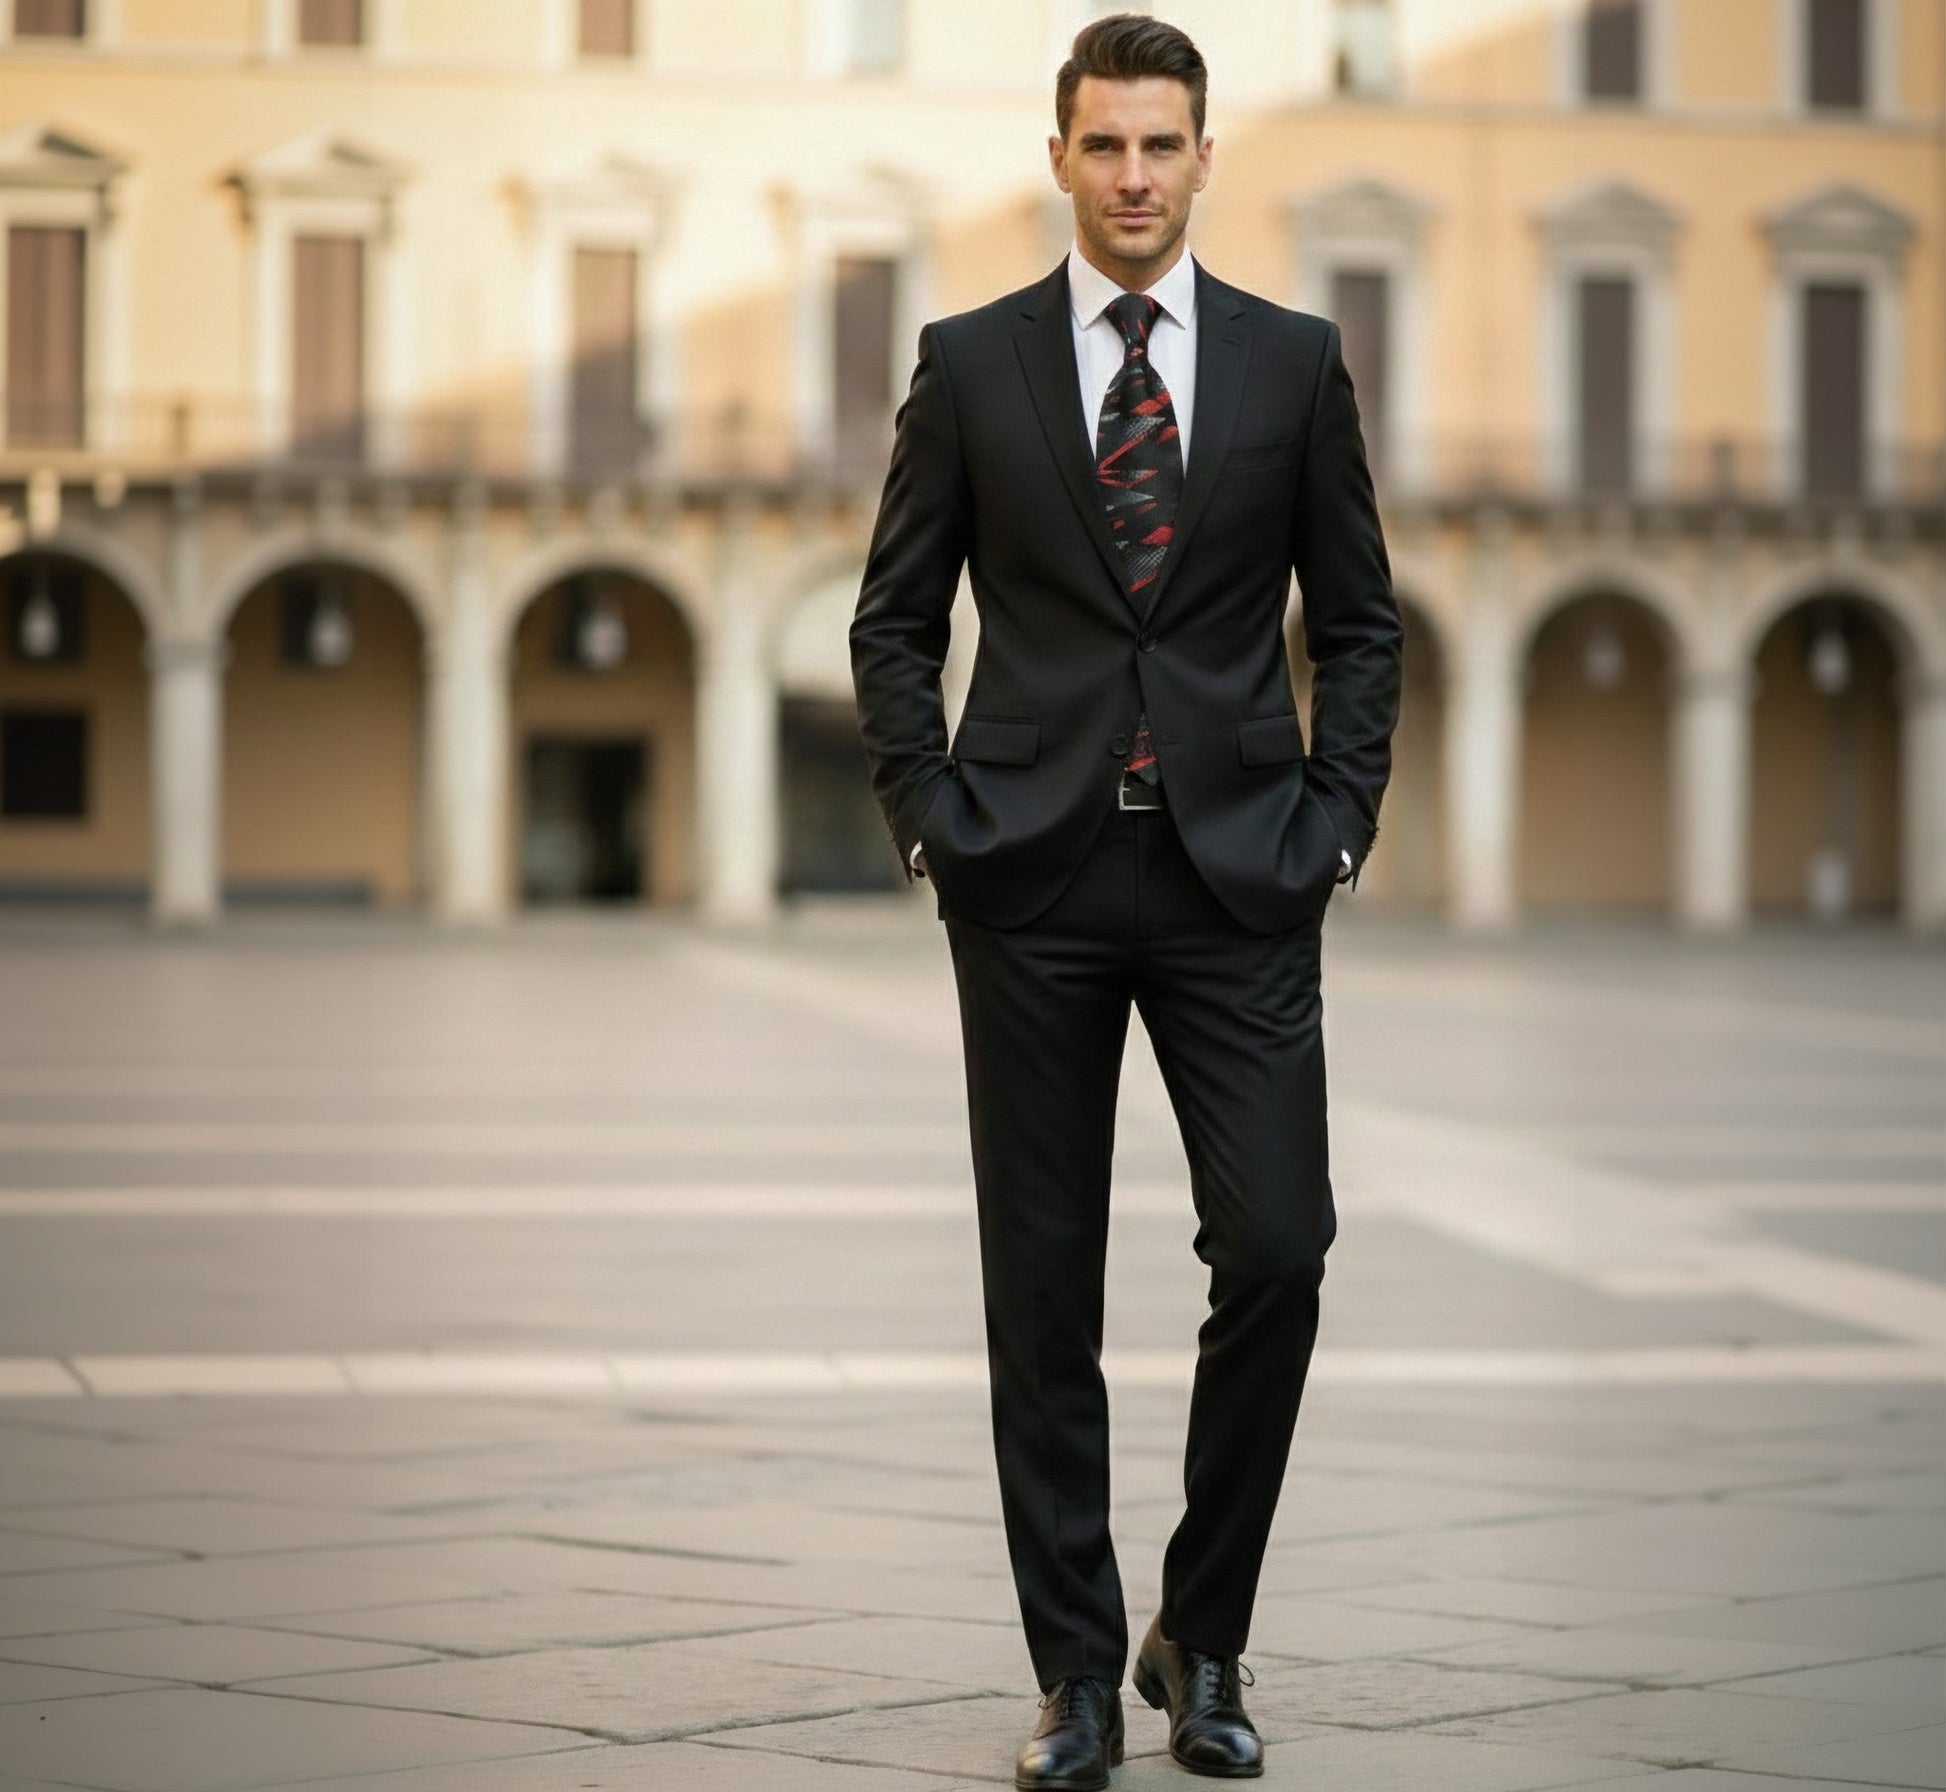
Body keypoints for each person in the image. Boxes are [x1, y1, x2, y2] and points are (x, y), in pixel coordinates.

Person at [850, 14, 1402, 1786]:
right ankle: (1079, 1677)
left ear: (1204, 157)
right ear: (1060, 158)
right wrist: (931, 814)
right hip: (1032, 875)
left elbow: (1362, 625)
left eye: (1163, 145)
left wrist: (1334, 822)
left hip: (1243, 877)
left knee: (1281, 1251)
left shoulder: (1293, 364)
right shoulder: (972, 360)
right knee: (1041, 1288)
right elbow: (891, 619)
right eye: (1105, 146)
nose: (1136, 176)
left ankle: (1204, 1634)